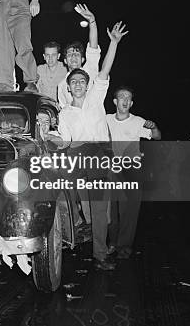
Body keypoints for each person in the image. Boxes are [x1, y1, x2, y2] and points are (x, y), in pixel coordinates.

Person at [58, 21, 128, 271]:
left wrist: (114, 43)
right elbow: (65, 142)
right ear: (68, 87)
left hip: (98, 155)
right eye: (74, 82)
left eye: (81, 82)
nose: (78, 84)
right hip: (77, 155)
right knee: (58, 191)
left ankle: (100, 253)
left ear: (87, 86)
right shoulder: (64, 113)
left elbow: (105, 67)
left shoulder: (96, 98)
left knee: (100, 210)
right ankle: (65, 236)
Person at [106, 86, 161, 259]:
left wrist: (153, 128)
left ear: (131, 103)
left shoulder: (138, 121)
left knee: (129, 210)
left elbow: (157, 136)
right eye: (121, 97)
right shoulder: (105, 119)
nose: (125, 100)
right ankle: (112, 242)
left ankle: (124, 246)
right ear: (115, 101)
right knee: (111, 209)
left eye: (128, 98)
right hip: (111, 167)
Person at [57, 4, 100, 107]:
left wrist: (92, 22)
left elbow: (93, 47)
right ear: (65, 61)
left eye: (77, 54)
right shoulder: (62, 85)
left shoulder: (91, 70)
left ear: (83, 59)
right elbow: (64, 111)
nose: (73, 57)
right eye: (70, 54)